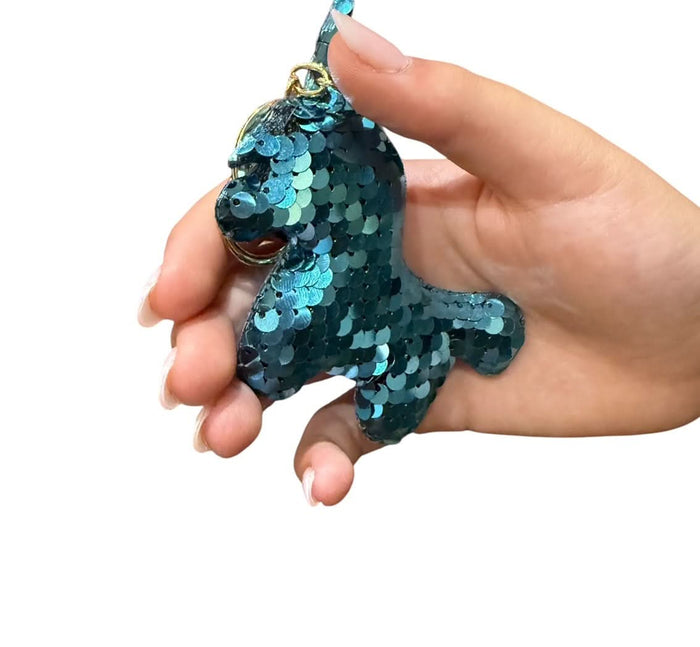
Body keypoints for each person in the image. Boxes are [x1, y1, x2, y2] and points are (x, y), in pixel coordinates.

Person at [138, 13, 700, 507]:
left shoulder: (334, 164)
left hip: (389, 320)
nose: (240, 191)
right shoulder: (323, 210)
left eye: (258, 173)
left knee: (330, 380)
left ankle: (434, 341)